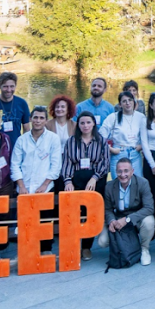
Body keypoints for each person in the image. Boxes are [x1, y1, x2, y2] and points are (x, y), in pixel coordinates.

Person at [62, 112, 109, 261]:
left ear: (94, 123)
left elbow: (105, 163)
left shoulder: (101, 141)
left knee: (90, 214)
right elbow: (67, 162)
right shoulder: (71, 141)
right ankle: (73, 244)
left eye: (88, 122)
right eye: (82, 123)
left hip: (96, 180)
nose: (85, 126)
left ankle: (86, 247)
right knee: (75, 213)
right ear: (78, 125)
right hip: (76, 180)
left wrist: (95, 178)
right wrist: (68, 181)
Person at [97, 158, 155, 266]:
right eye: (119, 171)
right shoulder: (110, 186)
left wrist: (128, 219)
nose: (122, 174)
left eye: (126, 171)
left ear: (132, 171)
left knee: (149, 221)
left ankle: (144, 249)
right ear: (116, 172)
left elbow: (149, 208)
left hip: (136, 216)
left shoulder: (143, 183)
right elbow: (108, 209)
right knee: (102, 241)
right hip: (118, 216)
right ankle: (121, 248)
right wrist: (111, 221)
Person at [13, 106, 62, 196]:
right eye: (35, 117)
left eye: (41, 118)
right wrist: (21, 186)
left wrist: (44, 185)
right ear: (30, 119)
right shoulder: (21, 140)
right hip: (24, 189)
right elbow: (15, 165)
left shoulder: (53, 138)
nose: (38, 121)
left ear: (46, 120)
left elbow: (56, 166)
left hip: (46, 189)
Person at [100, 90, 145, 177]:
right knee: (117, 183)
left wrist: (141, 146)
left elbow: (147, 136)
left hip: (135, 154)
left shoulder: (141, 117)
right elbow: (100, 136)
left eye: (130, 100)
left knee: (137, 183)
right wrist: (110, 149)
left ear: (134, 101)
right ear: (120, 104)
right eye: (124, 101)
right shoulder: (113, 117)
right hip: (118, 153)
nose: (127, 103)